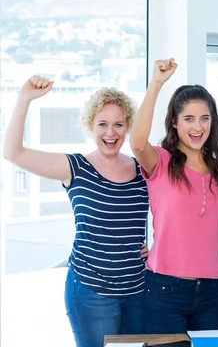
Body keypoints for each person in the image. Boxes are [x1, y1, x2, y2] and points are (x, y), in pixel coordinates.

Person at [3, 76, 149, 347]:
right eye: (102, 124)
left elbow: (172, 210)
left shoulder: (142, 170)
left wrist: (158, 246)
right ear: (90, 126)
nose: (111, 132)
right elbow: (12, 153)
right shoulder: (75, 167)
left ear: (128, 126)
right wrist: (24, 99)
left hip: (137, 290)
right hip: (90, 291)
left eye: (118, 124)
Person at [130, 59, 218, 333]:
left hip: (211, 292)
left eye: (204, 118)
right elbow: (137, 142)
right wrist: (156, 84)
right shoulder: (161, 162)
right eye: (188, 118)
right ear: (174, 123)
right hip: (165, 289)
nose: (197, 127)